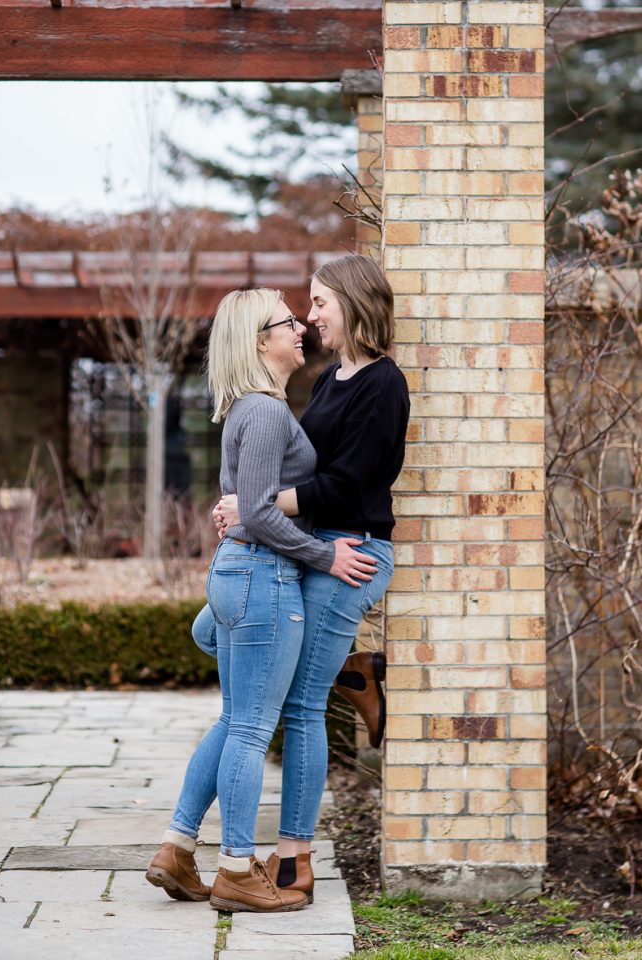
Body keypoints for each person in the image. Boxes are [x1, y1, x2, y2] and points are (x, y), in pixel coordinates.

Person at [145, 286, 379, 914]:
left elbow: (247, 510)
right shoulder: (266, 412)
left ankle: (177, 845)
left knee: (232, 722)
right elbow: (256, 513)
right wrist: (324, 555)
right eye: (286, 322)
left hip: (241, 576)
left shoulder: (254, 409)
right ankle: (237, 871)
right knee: (251, 729)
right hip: (264, 579)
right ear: (259, 341)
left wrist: (248, 523)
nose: (300, 326)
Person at [199, 254, 410, 903]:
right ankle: (355, 671)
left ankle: (294, 859)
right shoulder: (331, 379)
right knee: (211, 634)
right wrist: (251, 503)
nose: (310, 316)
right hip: (308, 547)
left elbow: (342, 483)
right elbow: (285, 466)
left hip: (351, 550)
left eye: (319, 303)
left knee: (298, 706)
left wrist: (257, 506)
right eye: (305, 308)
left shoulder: (382, 384)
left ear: (353, 302)